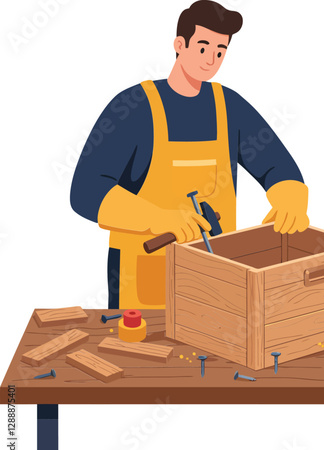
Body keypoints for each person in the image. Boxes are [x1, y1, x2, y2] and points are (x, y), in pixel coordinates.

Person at [70, 0, 310, 309]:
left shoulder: (229, 108)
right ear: (179, 45)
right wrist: (157, 217)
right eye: (203, 47)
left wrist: (290, 198)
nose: (211, 59)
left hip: (219, 276)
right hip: (147, 283)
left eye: (220, 51)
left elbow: (277, 165)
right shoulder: (133, 107)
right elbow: (86, 191)